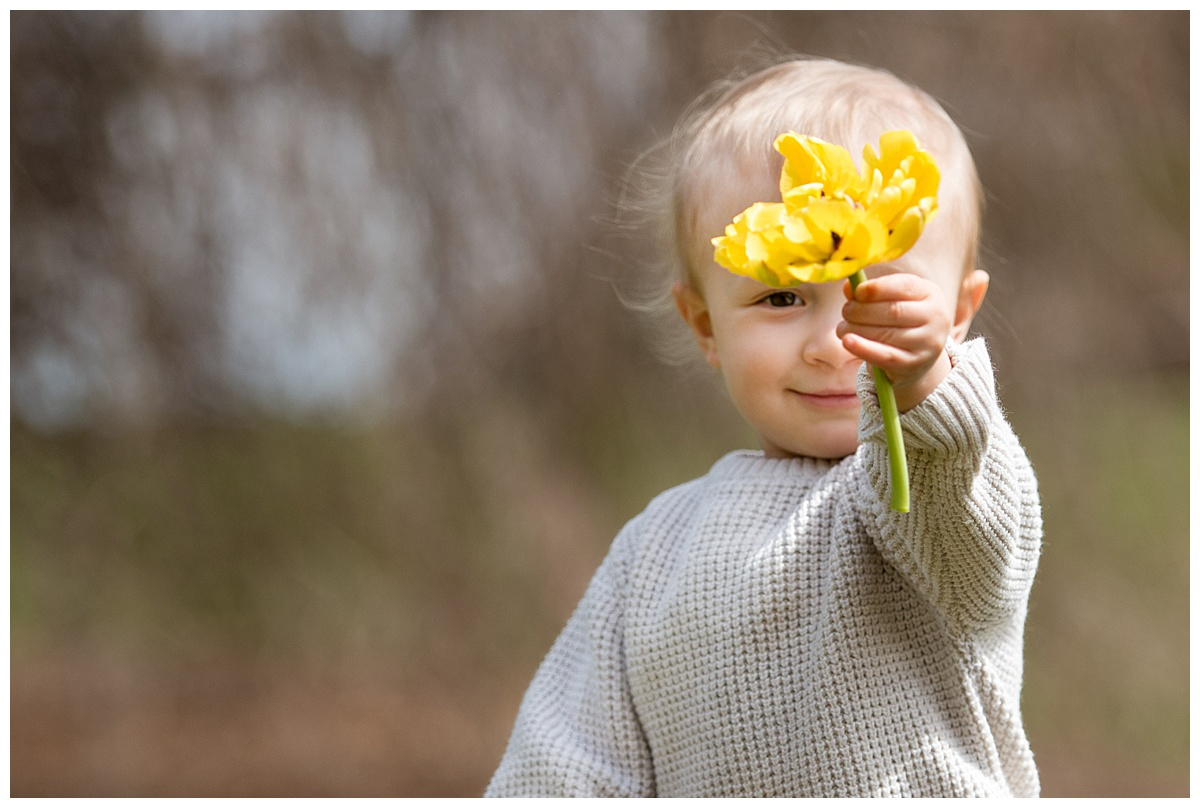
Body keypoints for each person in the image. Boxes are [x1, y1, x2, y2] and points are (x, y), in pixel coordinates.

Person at [484, 57, 1042, 798]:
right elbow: (566, 765)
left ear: (959, 313)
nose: (834, 339)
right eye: (780, 298)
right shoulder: (653, 553)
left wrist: (922, 386)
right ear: (704, 324)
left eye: (878, 295)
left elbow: (973, 538)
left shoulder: (933, 500)